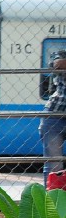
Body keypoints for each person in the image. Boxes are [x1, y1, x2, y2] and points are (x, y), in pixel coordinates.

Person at [41, 48, 66, 184]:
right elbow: (57, 63)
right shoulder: (62, 52)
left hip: (55, 116)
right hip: (55, 115)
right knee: (54, 166)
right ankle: (52, 203)